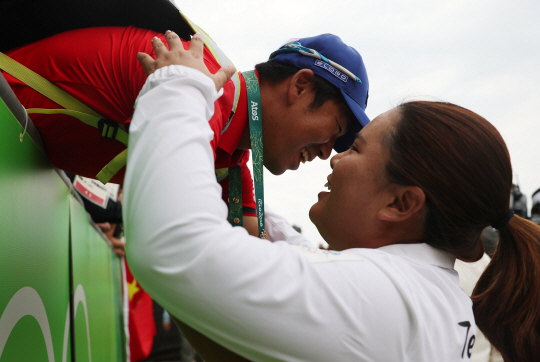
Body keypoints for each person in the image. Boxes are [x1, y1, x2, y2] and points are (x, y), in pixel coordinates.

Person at [124, 32, 540, 361]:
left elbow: (173, 246)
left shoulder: (385, 300)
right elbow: (310, 262)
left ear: (402, 204)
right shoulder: (429, 294)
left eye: (355, 149)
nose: (333, 159)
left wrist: (179, 86)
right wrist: (260, 221)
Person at [2, 25, 369, 238]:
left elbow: (257, 247)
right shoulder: (194, 84)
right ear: (300, 86)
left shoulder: (231, 143)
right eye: (334, 130)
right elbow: (181, 234)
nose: (327, 153)